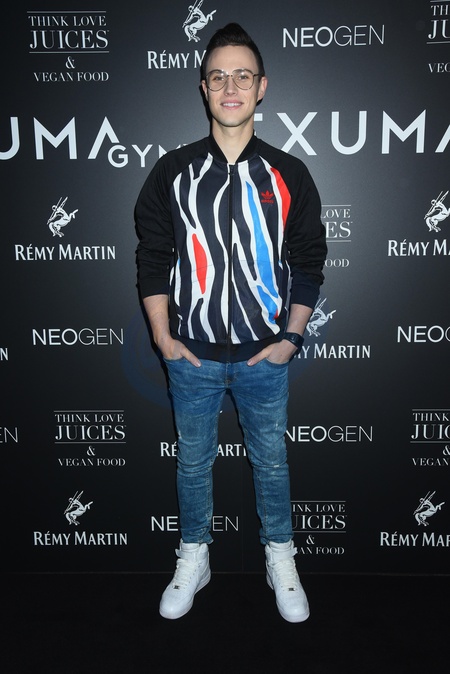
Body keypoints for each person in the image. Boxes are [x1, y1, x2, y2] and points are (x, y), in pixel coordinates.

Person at [135, 22, 327, 623]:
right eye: (218, 76)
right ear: (203, 88)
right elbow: (153, 257)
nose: (230, 87)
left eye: (243, 76)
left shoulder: (289, 173)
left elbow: (309, 262)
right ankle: (194, 556)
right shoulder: (172, 172)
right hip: (190, 356)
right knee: (193, 464)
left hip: (264, 356)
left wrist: (291, 337)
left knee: (272, 463)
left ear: (262, 87)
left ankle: (280, 558)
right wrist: (163, 337)